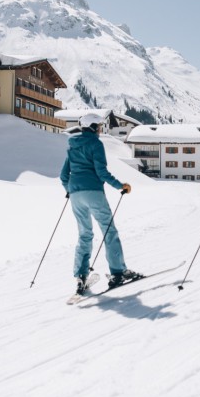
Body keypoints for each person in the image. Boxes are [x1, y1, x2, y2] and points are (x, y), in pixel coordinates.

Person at [60, 113, 139, 294]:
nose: (100, 129)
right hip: (93, 192)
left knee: (84, 234)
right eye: (99, 126)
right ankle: (118, 272)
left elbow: (64, 175)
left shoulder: (71, 146)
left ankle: (80, 277)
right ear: (94, 127)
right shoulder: (96, 144)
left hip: (75, 194)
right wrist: (121, 186)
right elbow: (101, 172)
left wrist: (70, 189)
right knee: (109, 231)